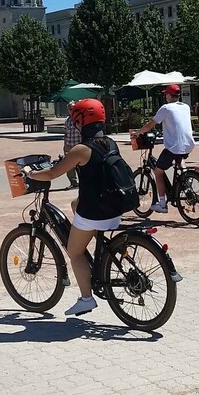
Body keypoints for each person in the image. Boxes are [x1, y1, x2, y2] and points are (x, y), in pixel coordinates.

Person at [26, 98, 124, 316]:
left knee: (74, 252)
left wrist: (30, 173)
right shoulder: (110, 142)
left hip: (96, 211)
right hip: (114, 206)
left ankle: (86, 299)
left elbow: (52, 173)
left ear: (80, 122)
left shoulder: (81, 149)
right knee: (74, 203)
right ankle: (99, 247)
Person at [132, 84, 195, 213]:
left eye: (166, 94)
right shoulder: (185, 107)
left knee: (158, 172)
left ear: (169, 95)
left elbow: (151, 124)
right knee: (180, 158)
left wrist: (138, 132)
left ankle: (162, 204)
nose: (165, 96)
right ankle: (186, 180)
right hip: (188, 144)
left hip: (173, 146)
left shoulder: (165, 108)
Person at [62, 101, 80, 188]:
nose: (71, 110)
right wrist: (65, 145)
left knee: (81, 164)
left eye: (73, 108)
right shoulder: (67, 120)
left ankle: (84, 183)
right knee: (69, 165)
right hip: (69, 145)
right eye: (69, 109)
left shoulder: (80, 119)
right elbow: (66, 133)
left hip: (78, 144)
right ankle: (73, 183)